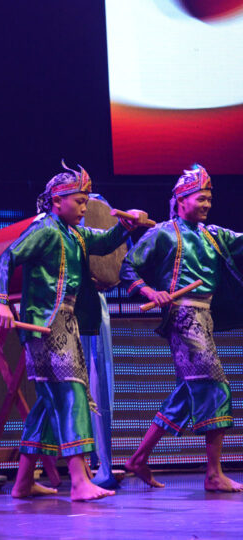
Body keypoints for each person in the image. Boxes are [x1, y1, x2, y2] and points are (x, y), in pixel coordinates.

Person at [0, 162, 150, 501]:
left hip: (66, 322)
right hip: (45, 324)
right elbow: (7, 257)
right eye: (79, 201)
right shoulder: (45, 229)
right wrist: (1, 301)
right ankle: (79, 481)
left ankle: (21, 483)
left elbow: (105, 243)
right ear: (56, 201)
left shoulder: (74, 233)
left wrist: (126, 225)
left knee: (49, 403)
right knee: (73, 393)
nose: (84, 207)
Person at [121, 164, 243, 492]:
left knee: (187, 395)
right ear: (181, 199)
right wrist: (150, 291)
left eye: (209, 199)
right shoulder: (163, 232)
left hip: (205, 317)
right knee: (216, 387)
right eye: (201, 199)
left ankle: (138, 459)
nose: (207, 204)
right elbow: (128, 266)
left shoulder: (213, 235)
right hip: (183, 317)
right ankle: (214, 474)